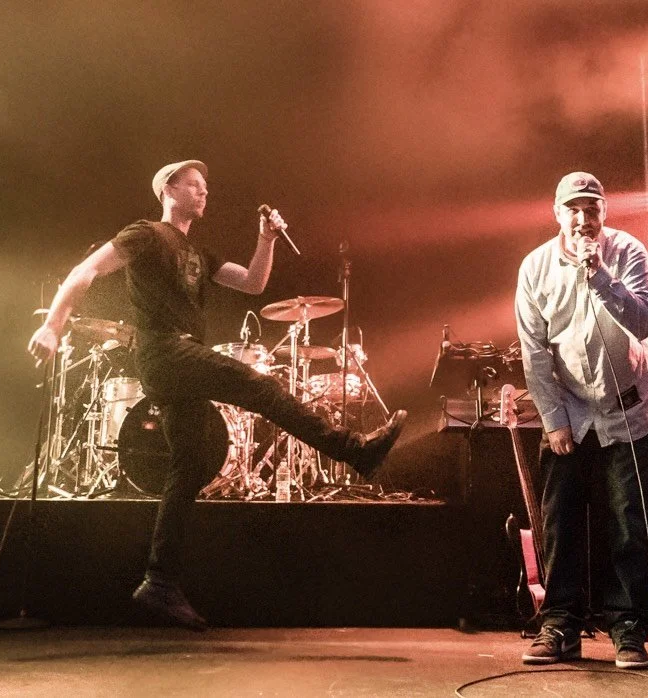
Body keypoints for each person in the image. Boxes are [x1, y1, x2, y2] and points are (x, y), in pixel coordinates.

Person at [28, 160, 406, 630]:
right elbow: (85, 270)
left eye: (205, 186)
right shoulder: (145, 234)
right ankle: (353, 449)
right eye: (194, 184)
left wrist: (266, 239)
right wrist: (52, 325)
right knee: (261, 386)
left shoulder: (198, 253)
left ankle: (159, 582)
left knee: (190, 466)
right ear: (168, 190)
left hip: (178, 358)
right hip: (164, 350)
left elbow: (252, 283)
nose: (204, 192)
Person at [514, 172, 648, 668]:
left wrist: (599, 275)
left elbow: (644, 322)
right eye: (573, 209)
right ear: (557, 214)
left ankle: (629, 628)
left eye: (592, 209)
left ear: (604, 213)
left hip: (627, 407)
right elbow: (535, 352)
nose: (583, 219)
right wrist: (553, 420)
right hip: (571, 409)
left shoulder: (629, 252)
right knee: (561, 521)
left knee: (628, 522)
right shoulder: (535, 267)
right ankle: (561, 623)